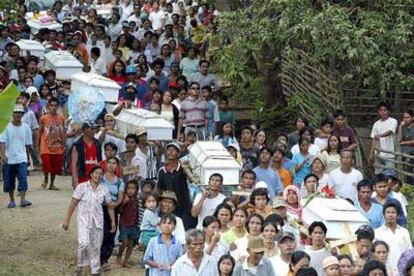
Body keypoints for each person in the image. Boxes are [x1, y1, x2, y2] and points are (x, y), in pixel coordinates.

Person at [61, 166, 116, 276]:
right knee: (84, 243)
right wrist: (66, 220)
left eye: (100, 174)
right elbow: (73, 203)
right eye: (96, 173)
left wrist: (113, 221)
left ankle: (95, 269)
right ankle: (80, 265)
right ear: (91, 174)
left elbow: (110, 206)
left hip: (98, 222)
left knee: (96, 245)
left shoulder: (104, 190)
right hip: (83, 220)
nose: (98, 176)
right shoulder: (81, 187)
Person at [0, 104, 32, 208]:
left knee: (23, 179)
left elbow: (27, 144)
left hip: (21, 158)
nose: (18, 114)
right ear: (12, 114)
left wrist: (28, 157)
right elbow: (2, 142)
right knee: (9, 181)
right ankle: (12, 200)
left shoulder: (26, 127)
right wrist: (3, 155)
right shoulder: (6, 127)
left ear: (23, 115)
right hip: (9, 158)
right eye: (16, 112)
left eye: (20, 113)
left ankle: (23, 199)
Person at [157, 142, 192, 229]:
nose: (170, 152)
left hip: (183, 206)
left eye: (173, 150)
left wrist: (188, 171)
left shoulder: (184, 169)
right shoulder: (162, 171)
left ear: (178, 153)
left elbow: (191, 180)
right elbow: (160, 189)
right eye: (168, 150)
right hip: (167, 206)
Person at [100, 157, 125, 271]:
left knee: (110, 235)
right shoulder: (99, 178)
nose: (111, 165)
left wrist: (115, 204)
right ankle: (96, 257)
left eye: (114, 163)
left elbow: (120, 197)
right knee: (100, 234)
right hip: (99, 209)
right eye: (109, 162)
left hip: (112, 209)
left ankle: (104, 259)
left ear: (117, 166)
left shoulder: (120, 181)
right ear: (105, 164)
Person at [375, 202, 412, 270]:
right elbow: (375, 254)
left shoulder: (404, 232)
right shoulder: (377, 232)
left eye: (393, 212)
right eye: (388, 212)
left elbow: (409, 252)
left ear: (397, 215)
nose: (390, 215)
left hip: (402, 270)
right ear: (384, 215)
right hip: (384, 270)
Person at [38, 97, 66, 190]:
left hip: (57, 146)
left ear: (58, 106)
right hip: (45, 145)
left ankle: (52, 183)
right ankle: (46, 178)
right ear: (48, 106)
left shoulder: (61, 118)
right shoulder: (44, 118)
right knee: (46, 164)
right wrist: (38, 144)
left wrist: (63, 144)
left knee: (55, 166)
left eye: (55, 105)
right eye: (52, 105)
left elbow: (63, 132)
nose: (54, 107)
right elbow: (40, 131)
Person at [369, 102, 398, 174]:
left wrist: (380, 135)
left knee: (390, 175)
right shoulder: (376, 124)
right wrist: (371, 153)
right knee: (379, 175)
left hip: (389, 153)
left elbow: (390, 131)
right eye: (381, 110)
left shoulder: (393, 121)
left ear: (388, 111)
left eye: (385, 110)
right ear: (378, 111)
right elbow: (374, 139)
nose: (383, 112)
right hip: (378, 154)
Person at [71, 121, 101, 187]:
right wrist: (75, 180)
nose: (94, 131)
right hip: (82, 177)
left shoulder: (97, 143)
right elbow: (74, 165)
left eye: (94, 129)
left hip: (95, 178)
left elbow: (99, 161)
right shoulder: (77, 145)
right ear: (84, 130)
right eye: (92, 129)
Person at [116, 180, 139, 268]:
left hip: (134, 225)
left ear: (136, 190)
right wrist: (124, 203)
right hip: (124, 224)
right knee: (124, 242)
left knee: (131, 244)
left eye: (133, 188)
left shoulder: (137, 200)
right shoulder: (123, 199)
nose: (130, 190)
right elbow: (119, 211)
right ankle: (119, 256)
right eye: (128, 188)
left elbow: (138, 213)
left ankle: (125, 261)